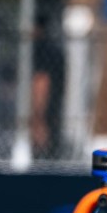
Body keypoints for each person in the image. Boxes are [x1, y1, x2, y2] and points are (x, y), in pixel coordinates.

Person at [31, 13, 64, 159]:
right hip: (54, 109)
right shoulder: (55, 49)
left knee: (42, 155)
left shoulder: (41, 49)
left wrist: (39, 117)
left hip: (45, 112)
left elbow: (41, 82)